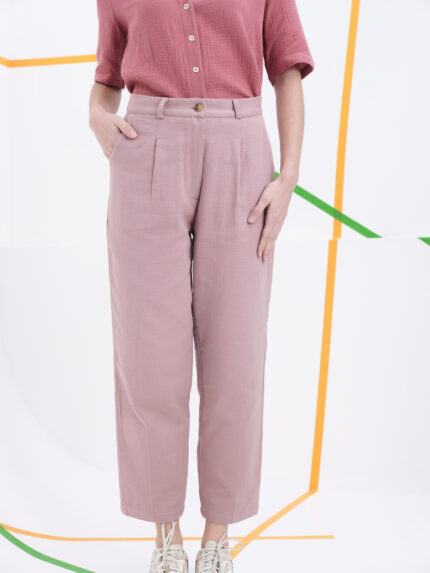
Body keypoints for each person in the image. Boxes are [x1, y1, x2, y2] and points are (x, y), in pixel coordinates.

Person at [89, 0, 314, 571]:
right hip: (146, 145)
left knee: (236, 356)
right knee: (149, 358)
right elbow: (107, 77)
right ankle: (166, 536)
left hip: (240, 149)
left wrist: (288, 177)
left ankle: (218, 537)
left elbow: (287, 66)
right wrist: (96, 113)